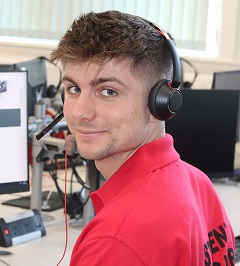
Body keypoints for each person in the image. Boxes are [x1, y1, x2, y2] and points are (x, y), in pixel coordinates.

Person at [49, 10, 236, 265]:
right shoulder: (197, 183)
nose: (80, 112)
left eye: (108, 91)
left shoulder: (115, 242)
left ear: (161, 104)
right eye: (74, 89)